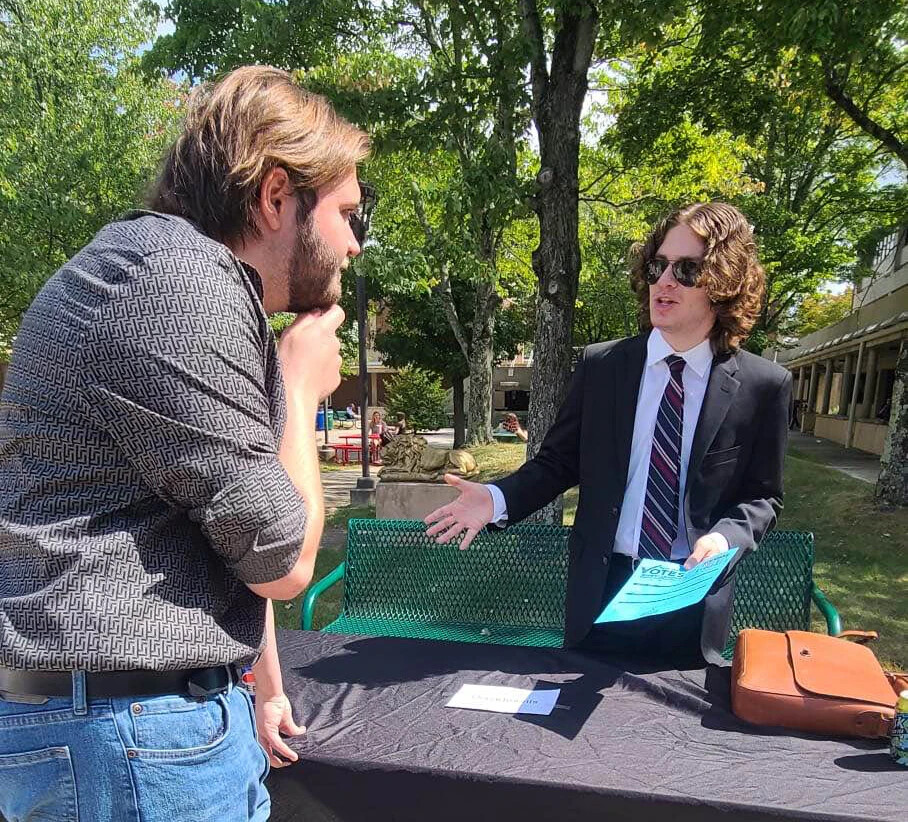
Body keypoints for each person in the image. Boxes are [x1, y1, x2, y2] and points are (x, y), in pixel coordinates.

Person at [0, 66, 369, 821]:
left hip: (130, 721)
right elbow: (284, 560)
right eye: (346, 215)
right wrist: (299, 391)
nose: (354, 246)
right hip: (126, 738)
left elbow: (222, 524)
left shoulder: (170, 276)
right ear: (275, 197)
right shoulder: (178, 293)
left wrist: (264, 684)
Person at [426, 202, 791, 669]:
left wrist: (724, 537)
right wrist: (497, 499)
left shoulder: (763, 385)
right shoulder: (603, 366)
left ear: (724, 282)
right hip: (603, 589)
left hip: (691, 599)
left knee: (674, 739)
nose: (665, 280)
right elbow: (559, 462)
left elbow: (763, 498)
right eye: (659, 265)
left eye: (687, 269)